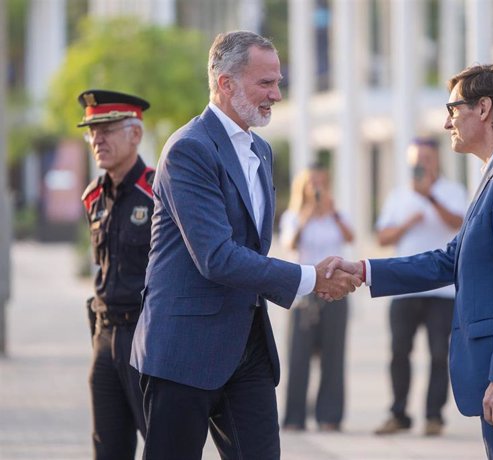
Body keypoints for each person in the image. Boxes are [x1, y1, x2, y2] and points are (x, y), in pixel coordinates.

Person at [325, 64, 493, 459]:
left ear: (483, 108)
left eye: (452, 108)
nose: (447, 123)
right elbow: (450, 259)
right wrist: (364, 271)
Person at [129, 31, 360, 460]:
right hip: (184, 350)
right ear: (226, 83)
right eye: (265, 83)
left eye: (278, 82)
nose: (276, 93)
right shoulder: (189, 149)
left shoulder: (262, 151)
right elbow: (216, 256)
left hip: (247, 347)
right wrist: (311, 278)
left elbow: (250, 249)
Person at [373, 137, 466, 437]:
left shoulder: (453, 192)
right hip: (404, 288)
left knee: (440, 354)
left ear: (437, 160)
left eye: (427, 158)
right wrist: (408, 223)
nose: (421, 164)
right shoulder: (398, 196)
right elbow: (383, 237)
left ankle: (434, 416)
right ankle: (398, 413)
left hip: (442, 290)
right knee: (399, 352)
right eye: (416, 160)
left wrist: (430, 199)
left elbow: (458, 224)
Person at [78, 89, 153, 459]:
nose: (97, 139)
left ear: (135, 134)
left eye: (107, 129)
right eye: (92, 131)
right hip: (105, 336)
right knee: (107, 447)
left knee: (163, 445)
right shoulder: (93, 197)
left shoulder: (158, 192)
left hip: (148, 337)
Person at [279, 163, 354, 432]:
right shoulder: (294, 216)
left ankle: (330, 416)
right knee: (299, 357)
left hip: (335, 294)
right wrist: (308, 213)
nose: (318, 188)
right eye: (313, 183)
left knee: (333, 357)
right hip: (304, 295)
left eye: (322, 182)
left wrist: (332, 212)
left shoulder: (337, 214)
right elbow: (289, 243)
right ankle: (294, 417)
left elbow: (350, 236)